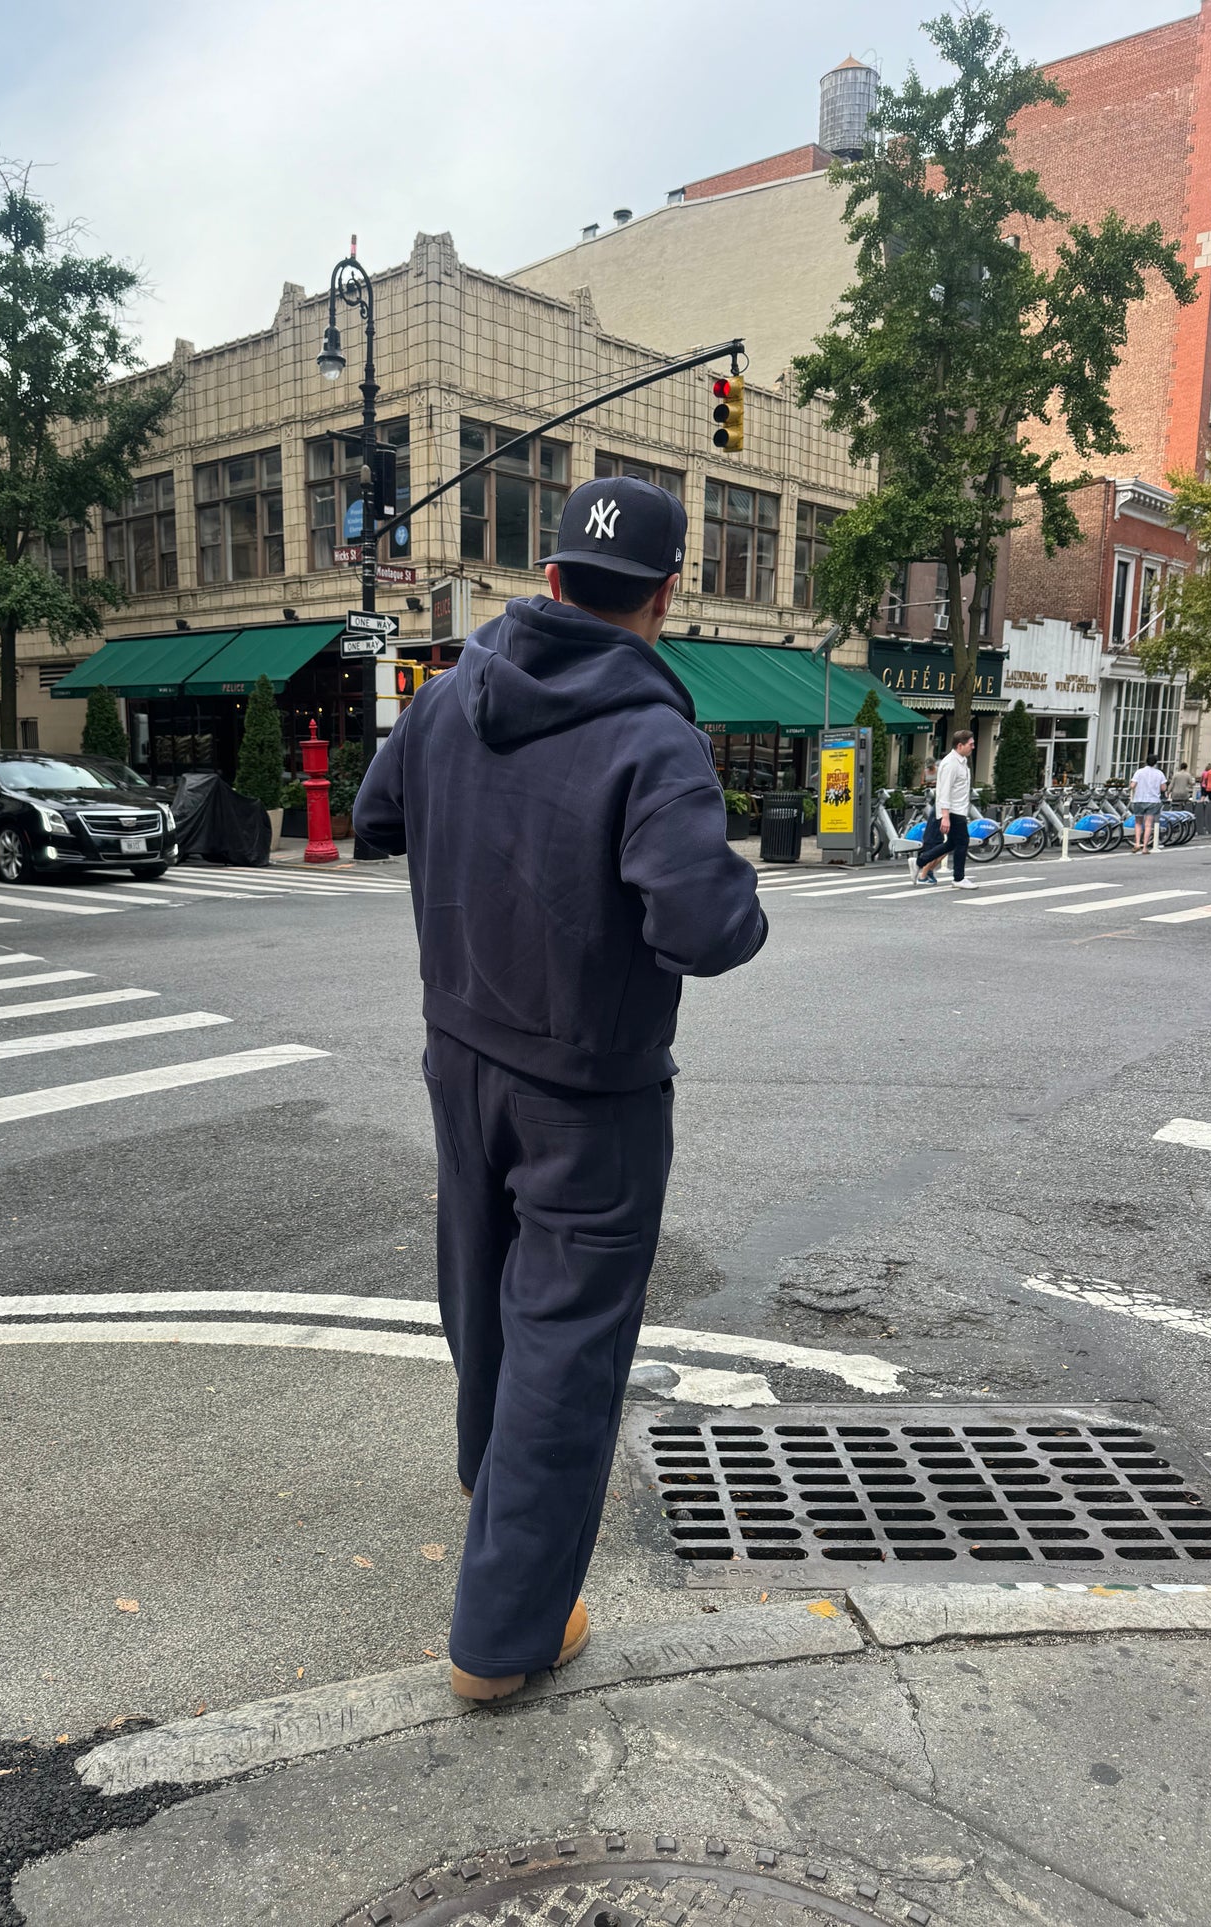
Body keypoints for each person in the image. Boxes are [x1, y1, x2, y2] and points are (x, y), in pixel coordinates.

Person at [354, 477, 768, 1703]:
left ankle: (494, 1497)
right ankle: (503, 1636)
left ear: (547, 580)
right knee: (566, 1348)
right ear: (665, 592)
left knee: (479, 1293)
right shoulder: (652, 734)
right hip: (588, 1086)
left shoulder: (451, 692)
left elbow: (380, 816)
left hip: (459, 1046)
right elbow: (704, 926)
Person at [911, 730, 978, 888]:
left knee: (952, 844)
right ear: (960, 745)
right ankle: (959, 878)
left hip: (959, 809)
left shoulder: (961, 761)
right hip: (953, 810)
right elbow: (944, 791)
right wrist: (945, 816)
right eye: (971, 744)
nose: (973, 747)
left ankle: (919, 861)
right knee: (962, 842)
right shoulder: (950, 763)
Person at [908, 757, 942, 885]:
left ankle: (924, 869)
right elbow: (922, 782)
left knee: (949, 844)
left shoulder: (940, 771)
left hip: (941, 807)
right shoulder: (928, 771)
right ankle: (923, 870)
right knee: (945, 845)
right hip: (939, 807)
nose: (929, 769)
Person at [1129, 756, 1167, 850]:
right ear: (1155, 763)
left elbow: (1132, 785)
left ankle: (1137, 843)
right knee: (1148, 824)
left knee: (1138, 822)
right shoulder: (1159, 773)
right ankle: (1145, 846)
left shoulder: (1139, 772)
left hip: (1139, 799)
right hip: (1153, 800)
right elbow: (1163, 788)